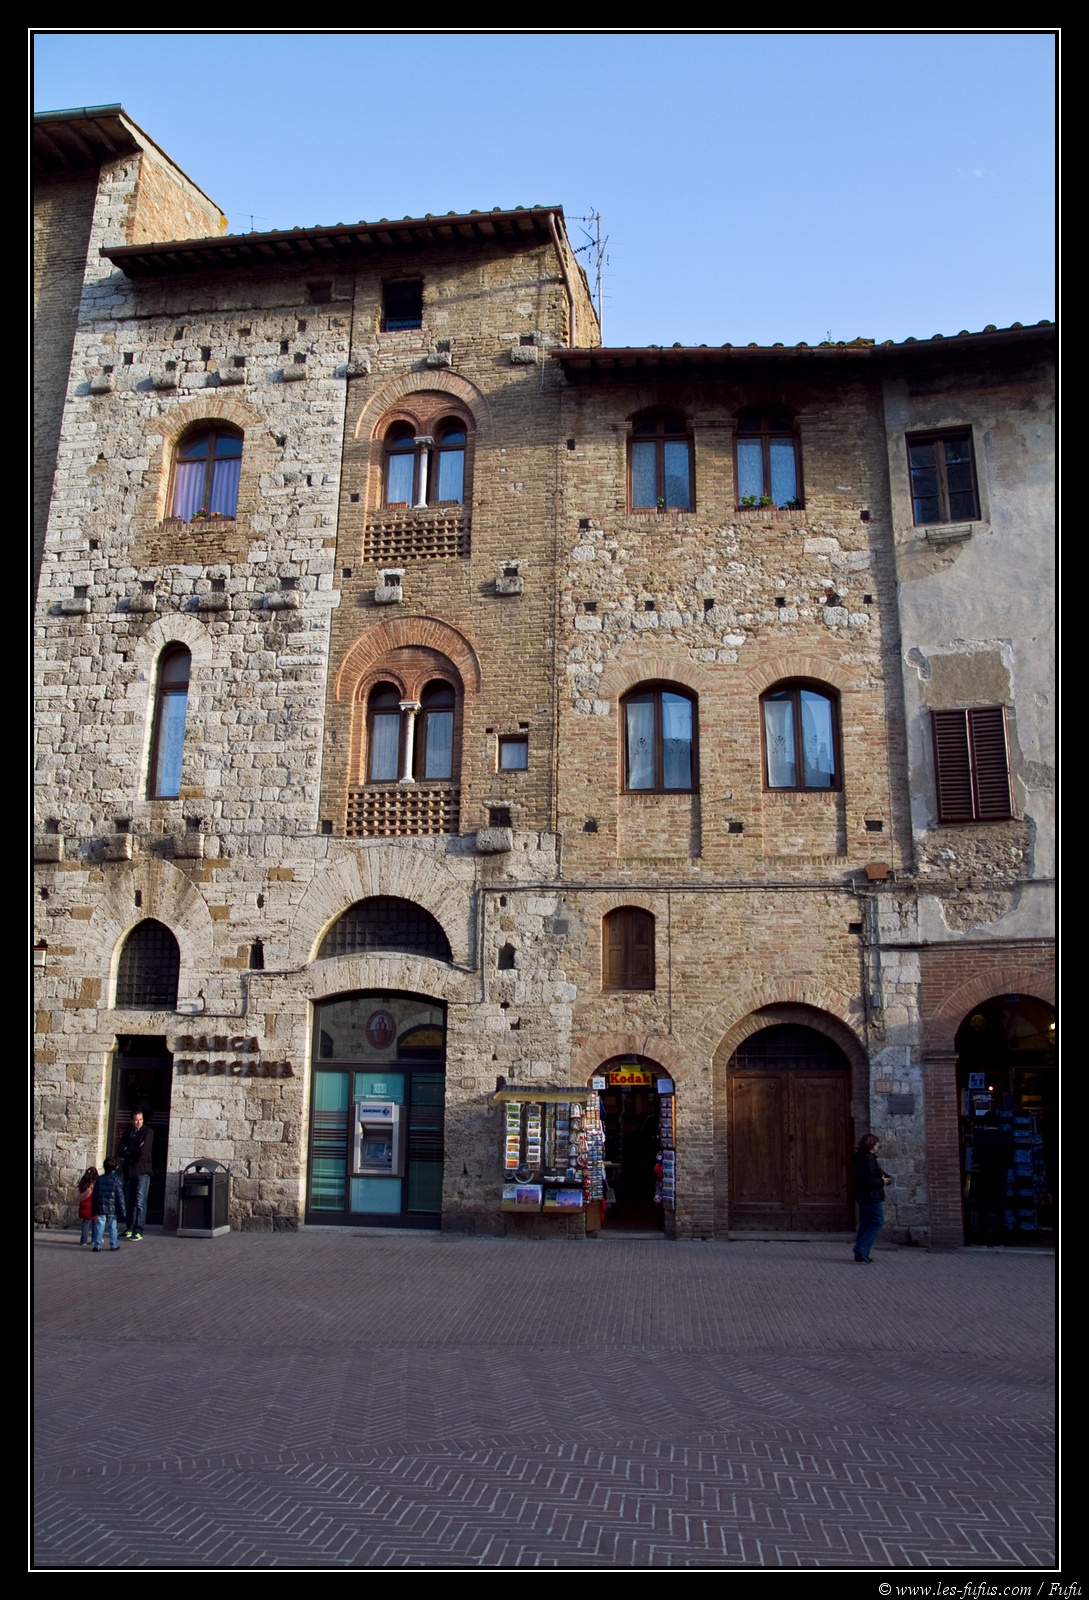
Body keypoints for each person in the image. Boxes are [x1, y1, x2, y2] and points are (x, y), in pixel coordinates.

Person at [853, 1133, 891, 1263]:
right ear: (872, 1144)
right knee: (877, 1221)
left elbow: (875, 1173)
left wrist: (885, 1177)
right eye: (877, 1144)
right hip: (871, 1196)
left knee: (866, 1222)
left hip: (863, 1195)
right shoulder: (868, 1159)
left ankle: (861, 1252)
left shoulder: (862, 1158)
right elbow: (868, 1180)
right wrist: (882, 1181)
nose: (878, 1146)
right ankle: (861, 1249)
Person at [118, 1109, 154, 1240]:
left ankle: (138, 1230)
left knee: (140, 1202)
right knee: (129, 1202)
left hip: (142, 1170)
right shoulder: (127, 1133)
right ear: (131, 1120)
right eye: (136, 1120)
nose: (138, 1122)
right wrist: (134, 1149)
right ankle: (129, 1228)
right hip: (129, 1171)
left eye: (140, 1120)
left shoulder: (148, 1132)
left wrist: (129, 1150)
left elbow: (143, 1152)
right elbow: (120, 1151)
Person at [91, 1158, 127, 1252]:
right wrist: (123, 1210)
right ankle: (114, 1244)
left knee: (99, 1225)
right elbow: (120, 1196)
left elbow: (95, 1195)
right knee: (113, 1226)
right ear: (116, 1167)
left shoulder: (99, 1179)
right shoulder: (116, 1179)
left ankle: (97, 1245)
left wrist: (93, 1208)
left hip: (100, 1206)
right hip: (112, 1207)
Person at [76, 1166, 98, 1246]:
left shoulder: (83, 1184)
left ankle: (83, 1241)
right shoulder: (95, 1184)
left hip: (84, 1207)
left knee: (85, 1224)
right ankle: (94, 1240)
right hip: (94, 1207)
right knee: (95, 1224)